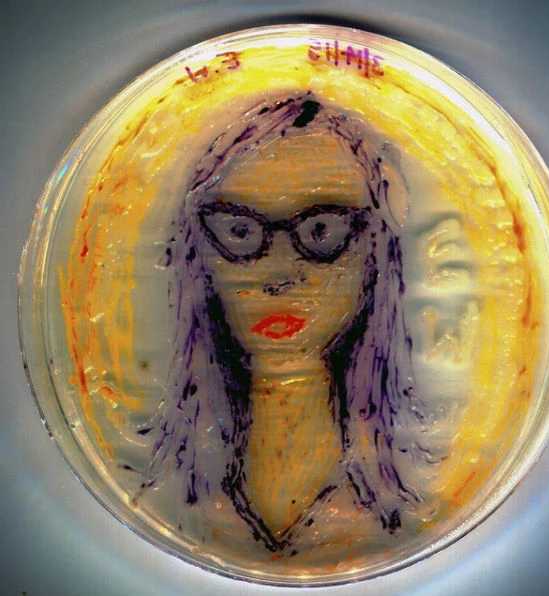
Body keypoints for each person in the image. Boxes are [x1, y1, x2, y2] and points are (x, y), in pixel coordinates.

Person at [137, 93, 428, 554]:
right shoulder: (159, 494)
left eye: (321, 232)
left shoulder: (415, 498)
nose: (278, 274)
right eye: (239, 232)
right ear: (201, 257)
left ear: (374, 254)